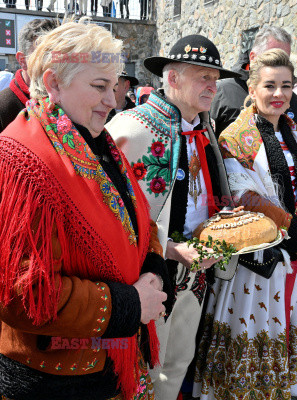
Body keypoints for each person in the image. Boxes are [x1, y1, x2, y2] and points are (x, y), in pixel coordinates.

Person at [0, 19, 170, 400]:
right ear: (54, 82)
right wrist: (129, 304)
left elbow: (137, 223)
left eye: (114, 87)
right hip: (56, 381)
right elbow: (20, 295)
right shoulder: (21, 160)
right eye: (99, 87)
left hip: (111, 363)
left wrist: (154, 271)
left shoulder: (97, 141)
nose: (114, 101)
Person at [194, 48, 297, 400]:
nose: (279, 94)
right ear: (252, 88)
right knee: (256, 335)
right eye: (270, 85)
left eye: (286, 86)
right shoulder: (236, 138)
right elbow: (244, 197)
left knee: (293, 336)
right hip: (258, 262)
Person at [108, 34, 239, 400]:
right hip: (150, 276)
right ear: (173, 79)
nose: (213, 86)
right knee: (143, 367)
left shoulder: (204, 128)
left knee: (177, 362)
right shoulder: (130, 129)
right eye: (203, 77)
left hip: (196, 274)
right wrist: (170, 249)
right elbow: (111, 215)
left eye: (215, 78)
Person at [210, 25, 297, 137]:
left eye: (284, 60)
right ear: (253, 58)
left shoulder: (294, 102)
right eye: (271, 58)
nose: (279, 66)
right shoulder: (220, 94)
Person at [0, 19, 57, 133]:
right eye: (43, 56)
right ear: (23, 61)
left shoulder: (70, 99)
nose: (52, 63)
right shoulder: (3, 107)